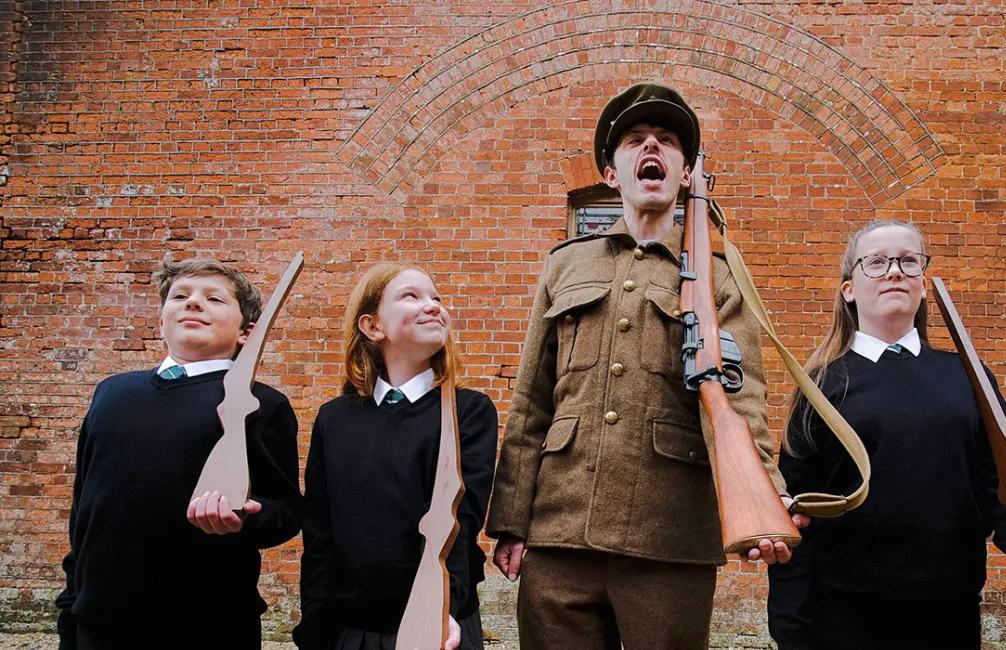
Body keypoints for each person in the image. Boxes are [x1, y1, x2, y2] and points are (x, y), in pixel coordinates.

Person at [485, 82, 801, 650]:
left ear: (685, 175)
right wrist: (511, 518)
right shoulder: (565, 265)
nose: (650, 147)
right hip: (561, 535)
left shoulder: (720, 276)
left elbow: (740, 400)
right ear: (612, 172)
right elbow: (531, 402)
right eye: (634, 140)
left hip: (669, 538)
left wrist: (766, 496)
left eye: (666, 141)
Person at [767, 221, 1006, 650]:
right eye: (876, 262)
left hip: (948, 612)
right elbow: (795, 509)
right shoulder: (822, 382)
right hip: (841, 617)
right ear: (848, 289)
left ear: (922, 284)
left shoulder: (966, 376)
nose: (895, 271)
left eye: (908, 261)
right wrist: (791, 626)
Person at [56, 258, 302, 650]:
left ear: (247, 333)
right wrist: (72, 603)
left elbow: (286, 512)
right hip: (98, 619)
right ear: (160, 323)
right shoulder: (112, 393)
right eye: (180, 296)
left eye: (214, 299)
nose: (193, 303)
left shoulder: (261, 403)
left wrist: (246, 517)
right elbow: (84, 510)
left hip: (207, 621)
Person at [295, 263, 498, 650]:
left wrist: (444, 607)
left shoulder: (468, 411)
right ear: (373, 327)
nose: (433, 306)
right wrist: (315, 628)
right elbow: (320, 532)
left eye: (436, 298)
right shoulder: (335, 419)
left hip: (439, 624)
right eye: (412, 296)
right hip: (350, 628)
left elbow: (460, 519)